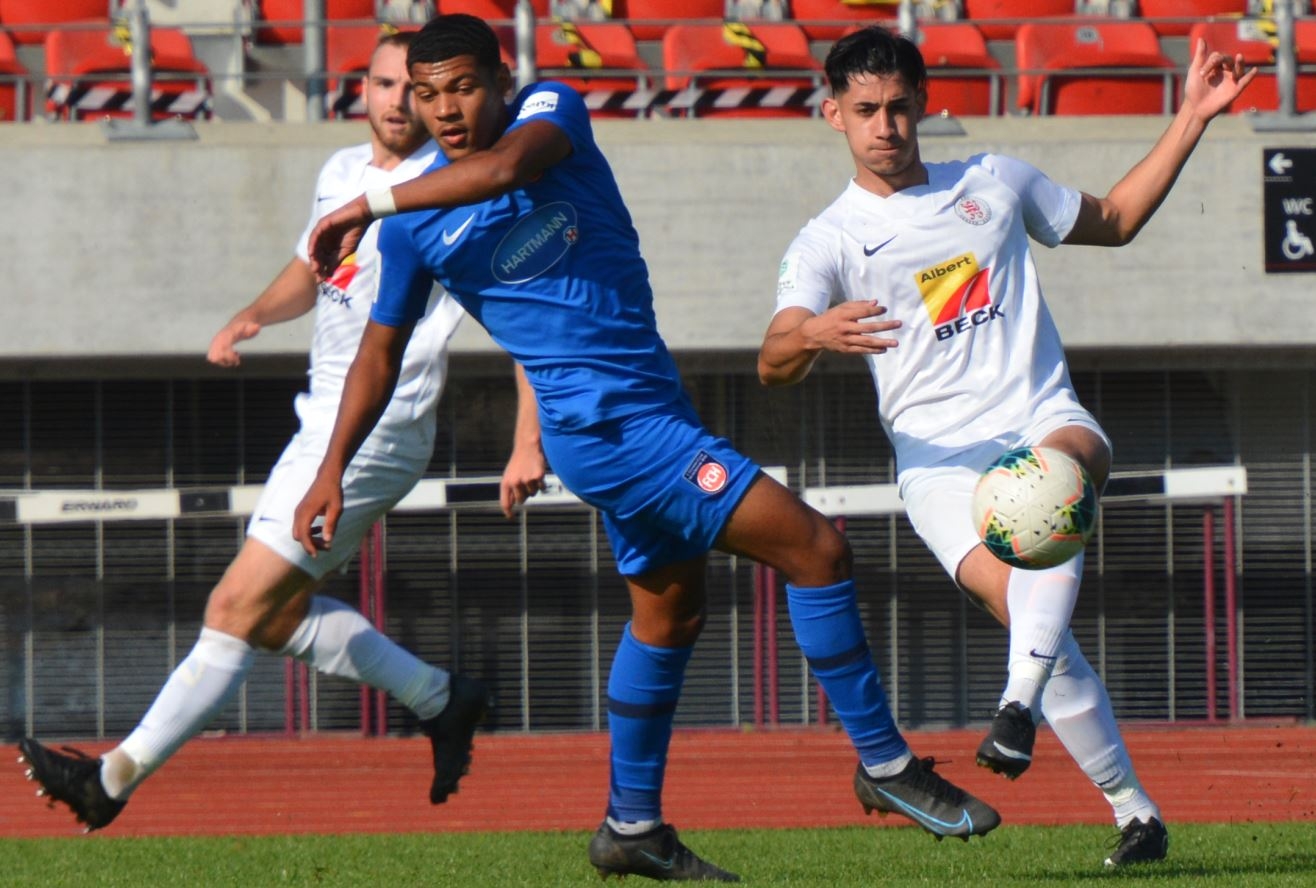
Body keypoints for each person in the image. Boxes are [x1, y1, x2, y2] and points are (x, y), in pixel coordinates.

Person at [294, 13, 1001, 884]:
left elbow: (507, 169)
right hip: (610, 432)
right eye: (426, 93)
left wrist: (366, 201)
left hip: (651, 405)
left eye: (463, 87)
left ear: (502, 80)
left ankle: (631, 826)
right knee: (818, 550)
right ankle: (886, 766)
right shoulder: (412, 226)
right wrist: (330, 469)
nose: (443, 109)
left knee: (669, 616)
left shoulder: (548, 112)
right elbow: (377, 354)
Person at [17, 32, 545, 833]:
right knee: (272, 615)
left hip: (377, 429)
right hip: (321, 416)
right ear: (362, 90)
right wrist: (255, 313)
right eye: (385, 84)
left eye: (414, 88)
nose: (400, 102)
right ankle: (442, 698)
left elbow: (525, 324)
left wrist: (526, 441)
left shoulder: (450, 189)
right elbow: (313, 267)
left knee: (234, 604)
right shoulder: (341, 170)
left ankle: (110, 781)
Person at [758, 26, 1255, 868]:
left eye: (899, 106)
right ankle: (1136, 814)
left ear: (923, 104)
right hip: (938, 466)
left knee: (1057, 482)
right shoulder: (828, 240)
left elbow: (1116, 220)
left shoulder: (993, 179)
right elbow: (771, 361)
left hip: (1039, 418)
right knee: (1036, 622)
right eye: (866, 110)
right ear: (833, 113)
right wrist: (811, 334)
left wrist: (1192, 117)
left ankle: (1016, 705)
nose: (886, 125)